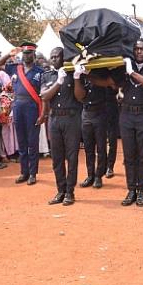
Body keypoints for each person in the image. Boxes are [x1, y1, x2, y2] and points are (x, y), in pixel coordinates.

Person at [90, 40, 143, 206]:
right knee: (129, 155)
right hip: (127, 114)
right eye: (136, 49)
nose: (138, 51)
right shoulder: (123, 66)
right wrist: (87, 74)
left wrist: (132, 73)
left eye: (142, 49)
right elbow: (108, 82)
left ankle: (142, 190)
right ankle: (131, 190)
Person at [0, 42, 44, 185]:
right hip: (18, 107)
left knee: (32, 142)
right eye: (24, 53)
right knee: (22, 142)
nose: (27, 56)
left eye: (29, 53)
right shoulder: (15, 68)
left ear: (34, 55)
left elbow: (43, 95)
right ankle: (24, 172)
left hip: (32, 107)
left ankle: (33, 173)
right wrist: (9, 54)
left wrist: (43, 114)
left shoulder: (40, 72)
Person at [40, 47, 83, 205]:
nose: (54, 59)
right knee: (57, 158)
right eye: (52, 57)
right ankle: (60, 190)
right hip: (55, 119)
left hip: (71, 119)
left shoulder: (72, 74)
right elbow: (44, 96)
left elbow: (80, 97)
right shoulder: (47, 76)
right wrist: (59, 82)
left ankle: (70, 192)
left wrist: (77, 77)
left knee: (71, 157)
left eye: (57, 57)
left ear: (64, 58)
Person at [79, 57, 109, 189]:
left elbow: (108, 85)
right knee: (88, 148)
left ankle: (99, 176)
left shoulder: (101, 70)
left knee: (101, 148)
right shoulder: (79, 72)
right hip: (86, 113)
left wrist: (89, 75)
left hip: (100, 112)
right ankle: (90, 175)